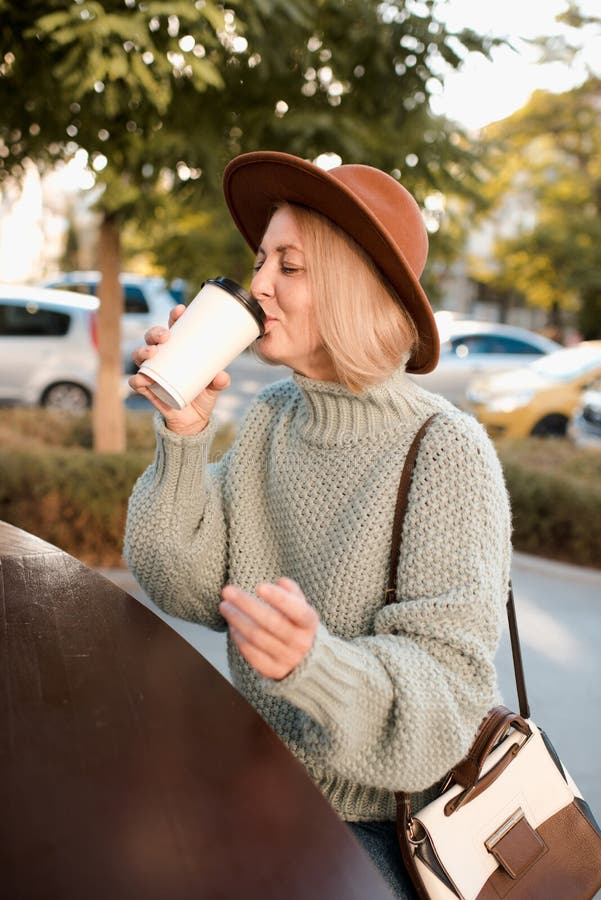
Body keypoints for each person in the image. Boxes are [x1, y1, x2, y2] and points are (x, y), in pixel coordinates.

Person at [124, 151, 511, 898]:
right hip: (254, 786)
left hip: (376, 828)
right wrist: (182, 435)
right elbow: (183, 584)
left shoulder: (445, 451)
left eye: (289, 266)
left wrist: (315, 665)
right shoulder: (271, 419)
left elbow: (448, 701)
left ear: (352, 287)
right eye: (261, 258)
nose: (258, 283)